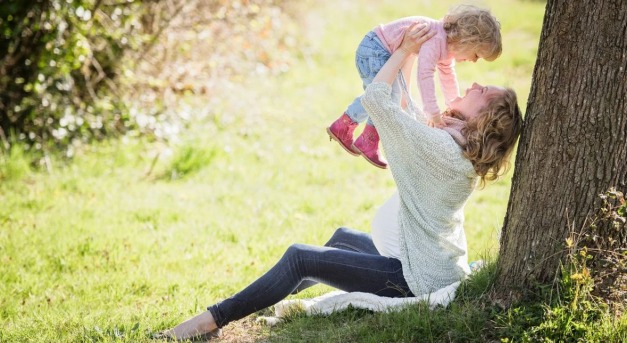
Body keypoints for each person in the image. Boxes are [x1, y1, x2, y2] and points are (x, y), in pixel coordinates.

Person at [158, 23, 522, 341]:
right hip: (426, 262)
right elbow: (407, 108)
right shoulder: (455, 146)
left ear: (484, 119)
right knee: (341, 239)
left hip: (414, 278)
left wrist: (405, 50)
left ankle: (211, 320)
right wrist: (408, 54)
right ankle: (257, 299)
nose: (474, 83)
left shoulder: (441, 149)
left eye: (483, 91)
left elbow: (378, 100)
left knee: (301, 257)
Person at [327, 5, 502, 169]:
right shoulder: (436, 39)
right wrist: (433, 113)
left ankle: (354, 131)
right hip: (375, 50)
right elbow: (424, 75)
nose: (473, 61)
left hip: (378, 50)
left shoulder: (446, 47)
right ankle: (360, 134)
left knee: (384, 96)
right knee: (384, 96)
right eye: (477, 55)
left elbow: (448, 77)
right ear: (468, 40)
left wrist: (453, 104)